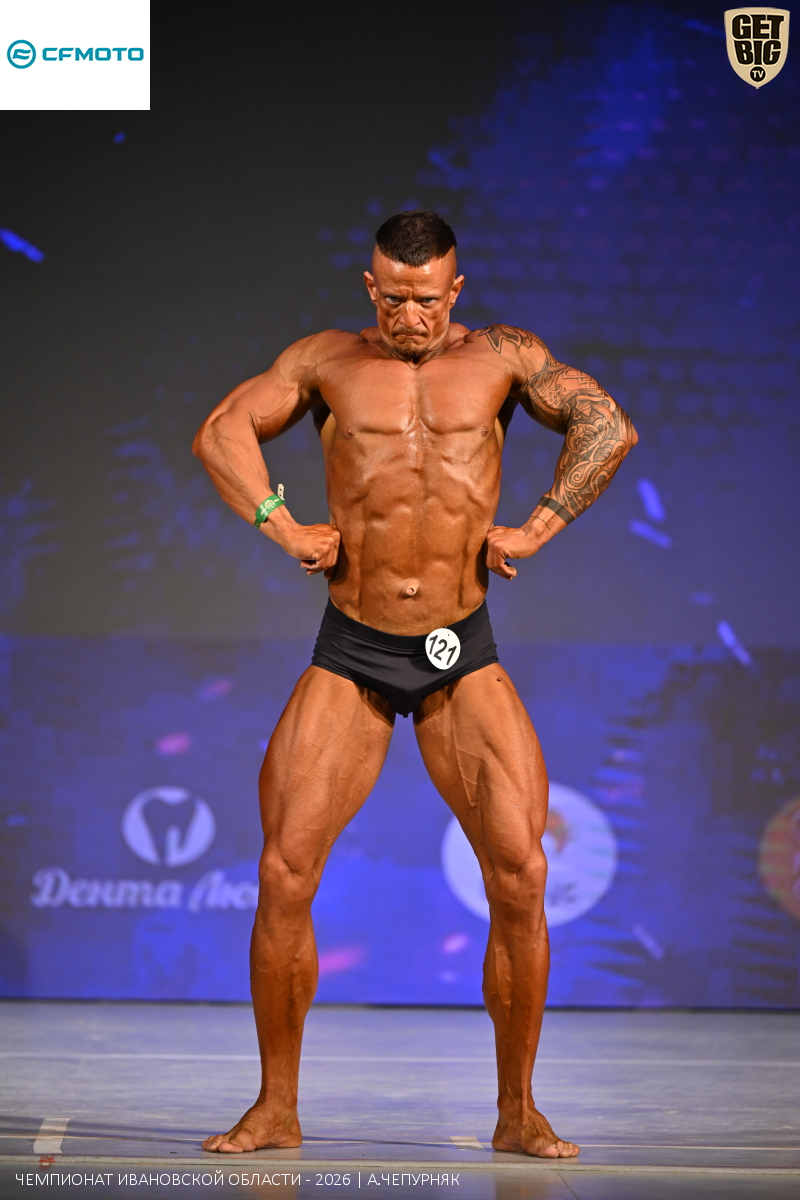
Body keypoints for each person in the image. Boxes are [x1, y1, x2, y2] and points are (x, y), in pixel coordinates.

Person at [192, 210, 637, 1158]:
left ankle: (518, 1112)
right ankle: (276, 1107)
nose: (411, 316)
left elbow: (607, 423)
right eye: (394, 298)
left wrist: (540, 525)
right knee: (283, 872)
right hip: (352, 647)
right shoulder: (325, 361)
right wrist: (282, 524)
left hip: (458, 650)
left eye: (427, 299)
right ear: (371, 287)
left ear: (455, 290)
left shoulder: (503, 358)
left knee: (522, 873)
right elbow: (223, 431)